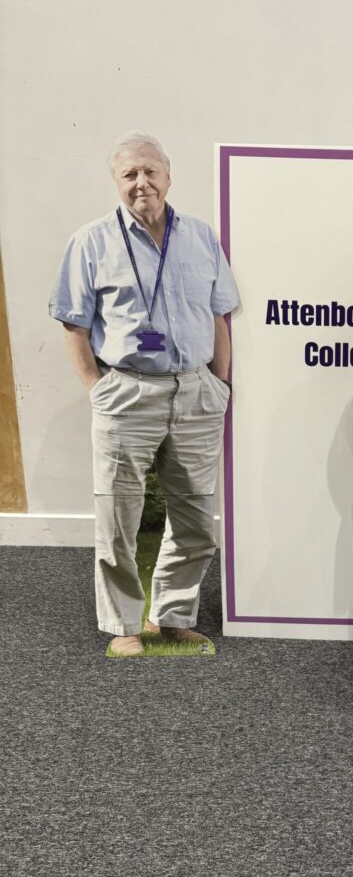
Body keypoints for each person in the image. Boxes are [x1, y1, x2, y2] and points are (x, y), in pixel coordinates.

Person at [49, 133, 239, 657]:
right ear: (117, 182)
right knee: (119, 516)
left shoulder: (200, 237)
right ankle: (124, 624)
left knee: (198, 518)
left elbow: (221, 314)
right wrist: (98, 389)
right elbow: (73, 325)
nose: (142, 183)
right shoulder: (90, 242)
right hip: (127, 391)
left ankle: (173, 615)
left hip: (196, 391)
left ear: (169, 176)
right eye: (130, 174)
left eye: (150, 171)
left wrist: (221, 383)